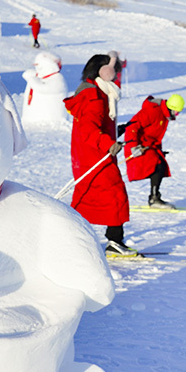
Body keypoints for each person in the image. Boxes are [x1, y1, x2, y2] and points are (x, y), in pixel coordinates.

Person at [64, 53, 134, 255]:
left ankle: (73, 236)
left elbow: (95, 124)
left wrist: (114, 131)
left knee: (88, 198)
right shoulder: (93, 95)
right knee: (115, 195)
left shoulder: (96, 91)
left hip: (89, 155)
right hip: (96, 155)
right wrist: (108, 143)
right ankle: (114, 241)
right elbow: (89, 130)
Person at [122, 93, 185, 209]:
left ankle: (154, 197)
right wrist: (133, 146)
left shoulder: (163, 115)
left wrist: (160, 151)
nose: (176, 115)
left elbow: (153, 136)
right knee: (157, 166)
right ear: (171, 108)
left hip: (148, 147)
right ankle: (154, 198)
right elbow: (132, 126)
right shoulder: (153, 111)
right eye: (176, 112)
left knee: (160, 166)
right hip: (137, 147)